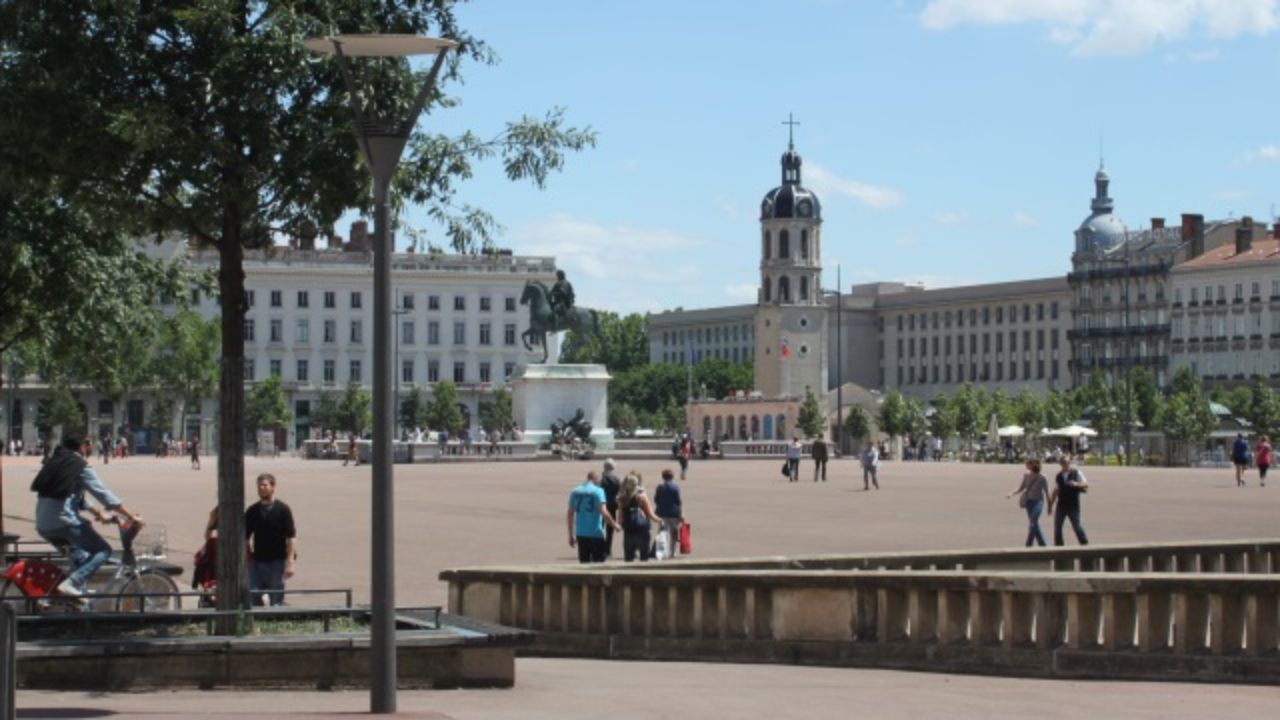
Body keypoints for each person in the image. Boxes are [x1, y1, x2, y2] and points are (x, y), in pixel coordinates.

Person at [31, 431, 145, 597]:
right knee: (103, 550)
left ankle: (66, 599)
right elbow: (103, 493)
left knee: (80, 556)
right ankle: (72, 583)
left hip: (43, 523)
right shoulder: (79, 465)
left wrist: (100, 515)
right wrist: (130, 516)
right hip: (63, 522)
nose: (90, 447)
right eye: (89, 444)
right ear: (81, 447)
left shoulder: (57, 461)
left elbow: (76, 497)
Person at [244, 473, 297, 606]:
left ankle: (275, 623)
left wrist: (290, 562)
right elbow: (245, 537)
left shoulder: (283, 510)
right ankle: (255, 624)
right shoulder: (252, 511)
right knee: (253, 595)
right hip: (257, 561)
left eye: (265, 485)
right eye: (259, 485)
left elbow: (291, 537)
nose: (261, 488)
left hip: (277, 562)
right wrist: (247, 558)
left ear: (273, 487)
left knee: (276, 600)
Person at [566, 471, 618, 564]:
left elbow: (570, 514)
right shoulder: (598, 491)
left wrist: (571, 534)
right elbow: (604, 512)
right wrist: (614, 525)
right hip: (595, 533)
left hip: (581, 533)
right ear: (597, 480)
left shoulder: (575, 491)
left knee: (584, 564)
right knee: (598, 563)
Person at [617, 472, 662, 562]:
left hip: (629, 530)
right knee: (644, 557)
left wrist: (619, 525)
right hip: (643, 530)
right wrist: (660, 520)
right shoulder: (641, 497)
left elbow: (620, 518)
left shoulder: (621, 498)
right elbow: (651, 515)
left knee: (629, 558)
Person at [1007, 459, 1050, 547]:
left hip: (1038, 502)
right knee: (1034, 524)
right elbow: (1021, 488)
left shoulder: (1042, 477)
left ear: (1033, 465)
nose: (1026, 465)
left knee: (1032, 523)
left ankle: (1028, 545)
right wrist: (1011, 493)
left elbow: (1046, 492)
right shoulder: (1026, 475)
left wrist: (1050, 506)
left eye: (1028, 464)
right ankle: (1044, 545)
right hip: (1029, 503)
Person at [1048, 456, 1089, 546]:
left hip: (1073, 504)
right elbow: (1056, 490)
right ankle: (1059, 547)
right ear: (1060, 464)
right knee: (1058, 527)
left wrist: (1076, 484)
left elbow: (1086, 484)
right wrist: (1050, 504)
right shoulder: (1058, 476)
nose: (1066, 464)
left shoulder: (1076, 473)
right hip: (1061, 504)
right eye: (1064, 462)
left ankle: (1084, 544)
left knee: (1077, 526)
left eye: (1068, 462)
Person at [652, 469, 684, 561]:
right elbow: (678, 501)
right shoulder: (675, 487)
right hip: (674, 513)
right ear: (672, 477)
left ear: (663, 477)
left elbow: (656, 499)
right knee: (674, 533)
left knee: (662, 533)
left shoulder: (660, 487)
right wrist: (681, 513)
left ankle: (661, 552)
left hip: (662, 513)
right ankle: (673, 552)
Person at [599, 459, 622, 558]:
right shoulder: (617, 478)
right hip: (612, 505)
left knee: (600, 527)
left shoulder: (601, 478)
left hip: (601, 504)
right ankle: (608, 550)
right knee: (610, 529)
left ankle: (601, 548)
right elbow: (620, 491)